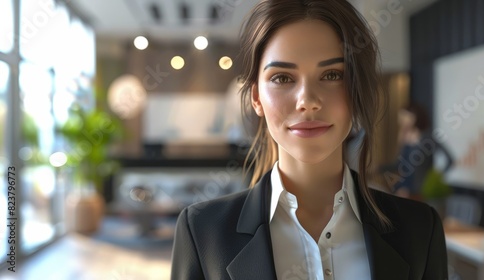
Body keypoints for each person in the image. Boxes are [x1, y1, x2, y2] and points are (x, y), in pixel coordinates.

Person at [171, 0, 448, 279]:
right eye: (282, 78)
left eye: (332, 75)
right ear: (256, 97)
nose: (307, 101)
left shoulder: (421, 230)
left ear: (357, 90)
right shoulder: (202, 232)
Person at [381, 103, 454, 199]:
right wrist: (378, 169)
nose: (401, 120)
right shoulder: (404, 138)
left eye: (404, 116)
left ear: (414, 117)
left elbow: (449, 159)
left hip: (418, 190)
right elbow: (398, 164)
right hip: (402, 187)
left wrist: (435, 176)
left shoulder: (427, 138)